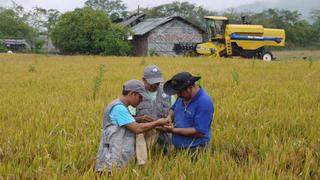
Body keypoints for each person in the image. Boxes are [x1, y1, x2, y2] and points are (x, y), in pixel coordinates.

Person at [95, 80, 169, 172]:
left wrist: (140, 118)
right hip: (112, 162)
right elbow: (137, 129)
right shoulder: (119, 108)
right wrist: (157, 122)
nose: (141, 101)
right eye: (140, 97)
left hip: (117, 159)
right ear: (132, 94)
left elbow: (123, 122)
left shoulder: (119, 106)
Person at [157, 72, 214, 152]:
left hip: (196, 150)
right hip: (179, 147)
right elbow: (174, 108)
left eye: (179, 92)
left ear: (190, 88)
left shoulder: (204, 102)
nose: (178, 95)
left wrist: (172, 130)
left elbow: (199, 132)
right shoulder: (182, 96)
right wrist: (169, 117)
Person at [129, 64, 174, 165]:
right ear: (144, 80)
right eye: (152, 82)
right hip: (144, 136)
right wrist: (141, 118)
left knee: (166, 163)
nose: (155, 85)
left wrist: (169, 117)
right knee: (143, 162)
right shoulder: (136, 93)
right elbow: (129, 118)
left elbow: (173, 109)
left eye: (158, 82)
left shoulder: (166, 91)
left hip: (165, 136)